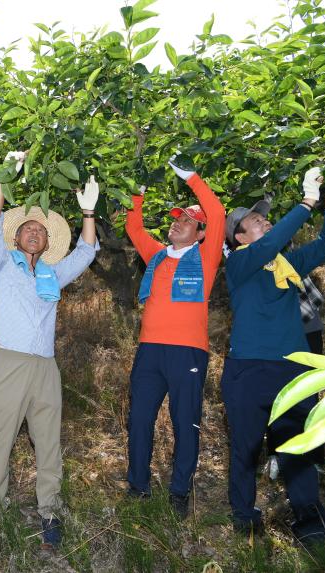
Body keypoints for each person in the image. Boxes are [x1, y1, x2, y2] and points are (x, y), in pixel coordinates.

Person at [0, 151, 99, 550]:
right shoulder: (0, 263)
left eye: (41, 230)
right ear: (17, 237)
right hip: (10, 361)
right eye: (28, 228)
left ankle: (49, 510)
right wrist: (4, 178)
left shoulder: (52, 274)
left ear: (48, 242)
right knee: (2, 437)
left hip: (46, 366)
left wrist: (88, 213)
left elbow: (85, 253)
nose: (34, 232)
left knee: (48, 440)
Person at [221, 167, 325, 546]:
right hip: (248, 369)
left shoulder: (286, 266)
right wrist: (307, 201)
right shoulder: (239, 263)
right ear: (239, 237)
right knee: (245, 445)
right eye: (256, 220)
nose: (265, 221)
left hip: (293, 369)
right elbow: (266, 246)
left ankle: (310, 523)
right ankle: (244, 516)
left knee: (298, 446)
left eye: (265, 217)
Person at [123, 159, 226, 519]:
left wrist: (192, 178)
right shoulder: (157, 257)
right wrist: (138, 193)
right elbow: (134, 229)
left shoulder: (206, 255)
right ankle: (138, 485)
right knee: (139, 419)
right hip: (150, 351)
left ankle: (180, 489)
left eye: (187, 220)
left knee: (186, 422)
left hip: (188, 353)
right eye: (176, 218)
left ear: (200, 233)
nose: (177, 222)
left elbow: (217, 212)